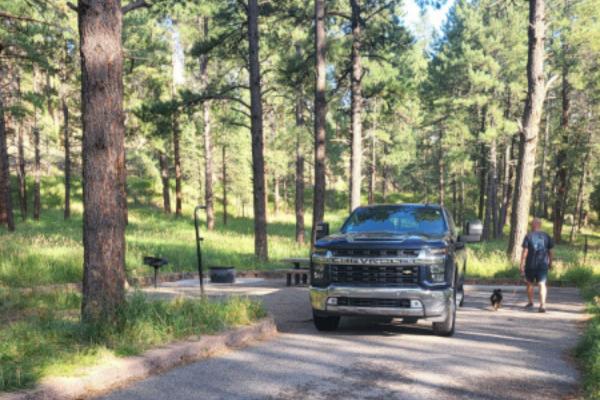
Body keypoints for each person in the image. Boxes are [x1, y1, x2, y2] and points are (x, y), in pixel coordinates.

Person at [520, 218, 554, 313]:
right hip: (543, 264)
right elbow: (551, 252)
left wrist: (521, 264)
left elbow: (525, 251)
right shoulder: (547, 236)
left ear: (534, 225)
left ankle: (531, 302)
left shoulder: (528, 236)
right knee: (542, 284)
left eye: (531, 224)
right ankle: (542, 305)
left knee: (530, 283)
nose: (530, 225)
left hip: (530, 264)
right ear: (540, 225)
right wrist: (550, 263)